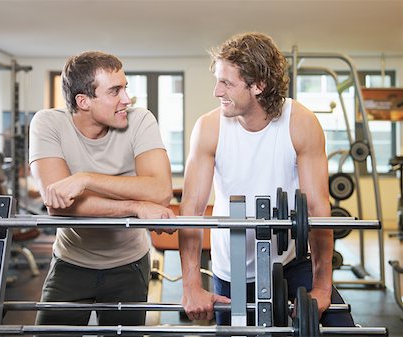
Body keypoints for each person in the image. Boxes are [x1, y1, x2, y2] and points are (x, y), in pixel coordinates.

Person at [178, 32, 355, 327]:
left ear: (258, 85)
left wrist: (322, 288)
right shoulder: (209, 128)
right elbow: (191, 211)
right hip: (230, 270)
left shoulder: (299, 122)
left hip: (289, 262)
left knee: (343, 328)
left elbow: (317, 209)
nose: (216, 92)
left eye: (227, 83)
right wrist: (191, 286)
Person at [29, 51, 175, 328]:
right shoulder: (48, 123)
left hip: (130, 265)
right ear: (83, 101)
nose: (126, 99)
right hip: (71, 262)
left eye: (125, 88)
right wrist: (135, 205)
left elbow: (159, 191)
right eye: (115, 91)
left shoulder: (140, 120)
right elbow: (57, 203)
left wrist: (85, 179)